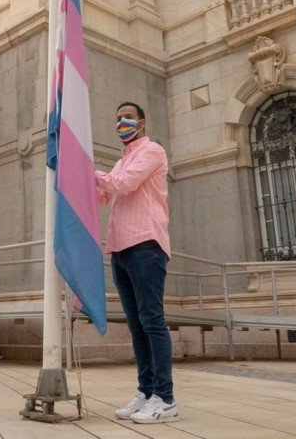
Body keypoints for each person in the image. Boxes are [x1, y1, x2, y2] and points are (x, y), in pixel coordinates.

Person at [95, 101, 178, 424]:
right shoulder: (120, 162)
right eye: (117, 118)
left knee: (152, 321)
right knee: (137, 325)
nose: (122, 122)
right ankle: (146, 392)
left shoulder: (152, 151)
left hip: (145, 244)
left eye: (128, 117)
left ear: (141, 122)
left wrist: (89, 170)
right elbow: (104, 196)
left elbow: (124, 184)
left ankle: (165, 398)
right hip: (120, 249)